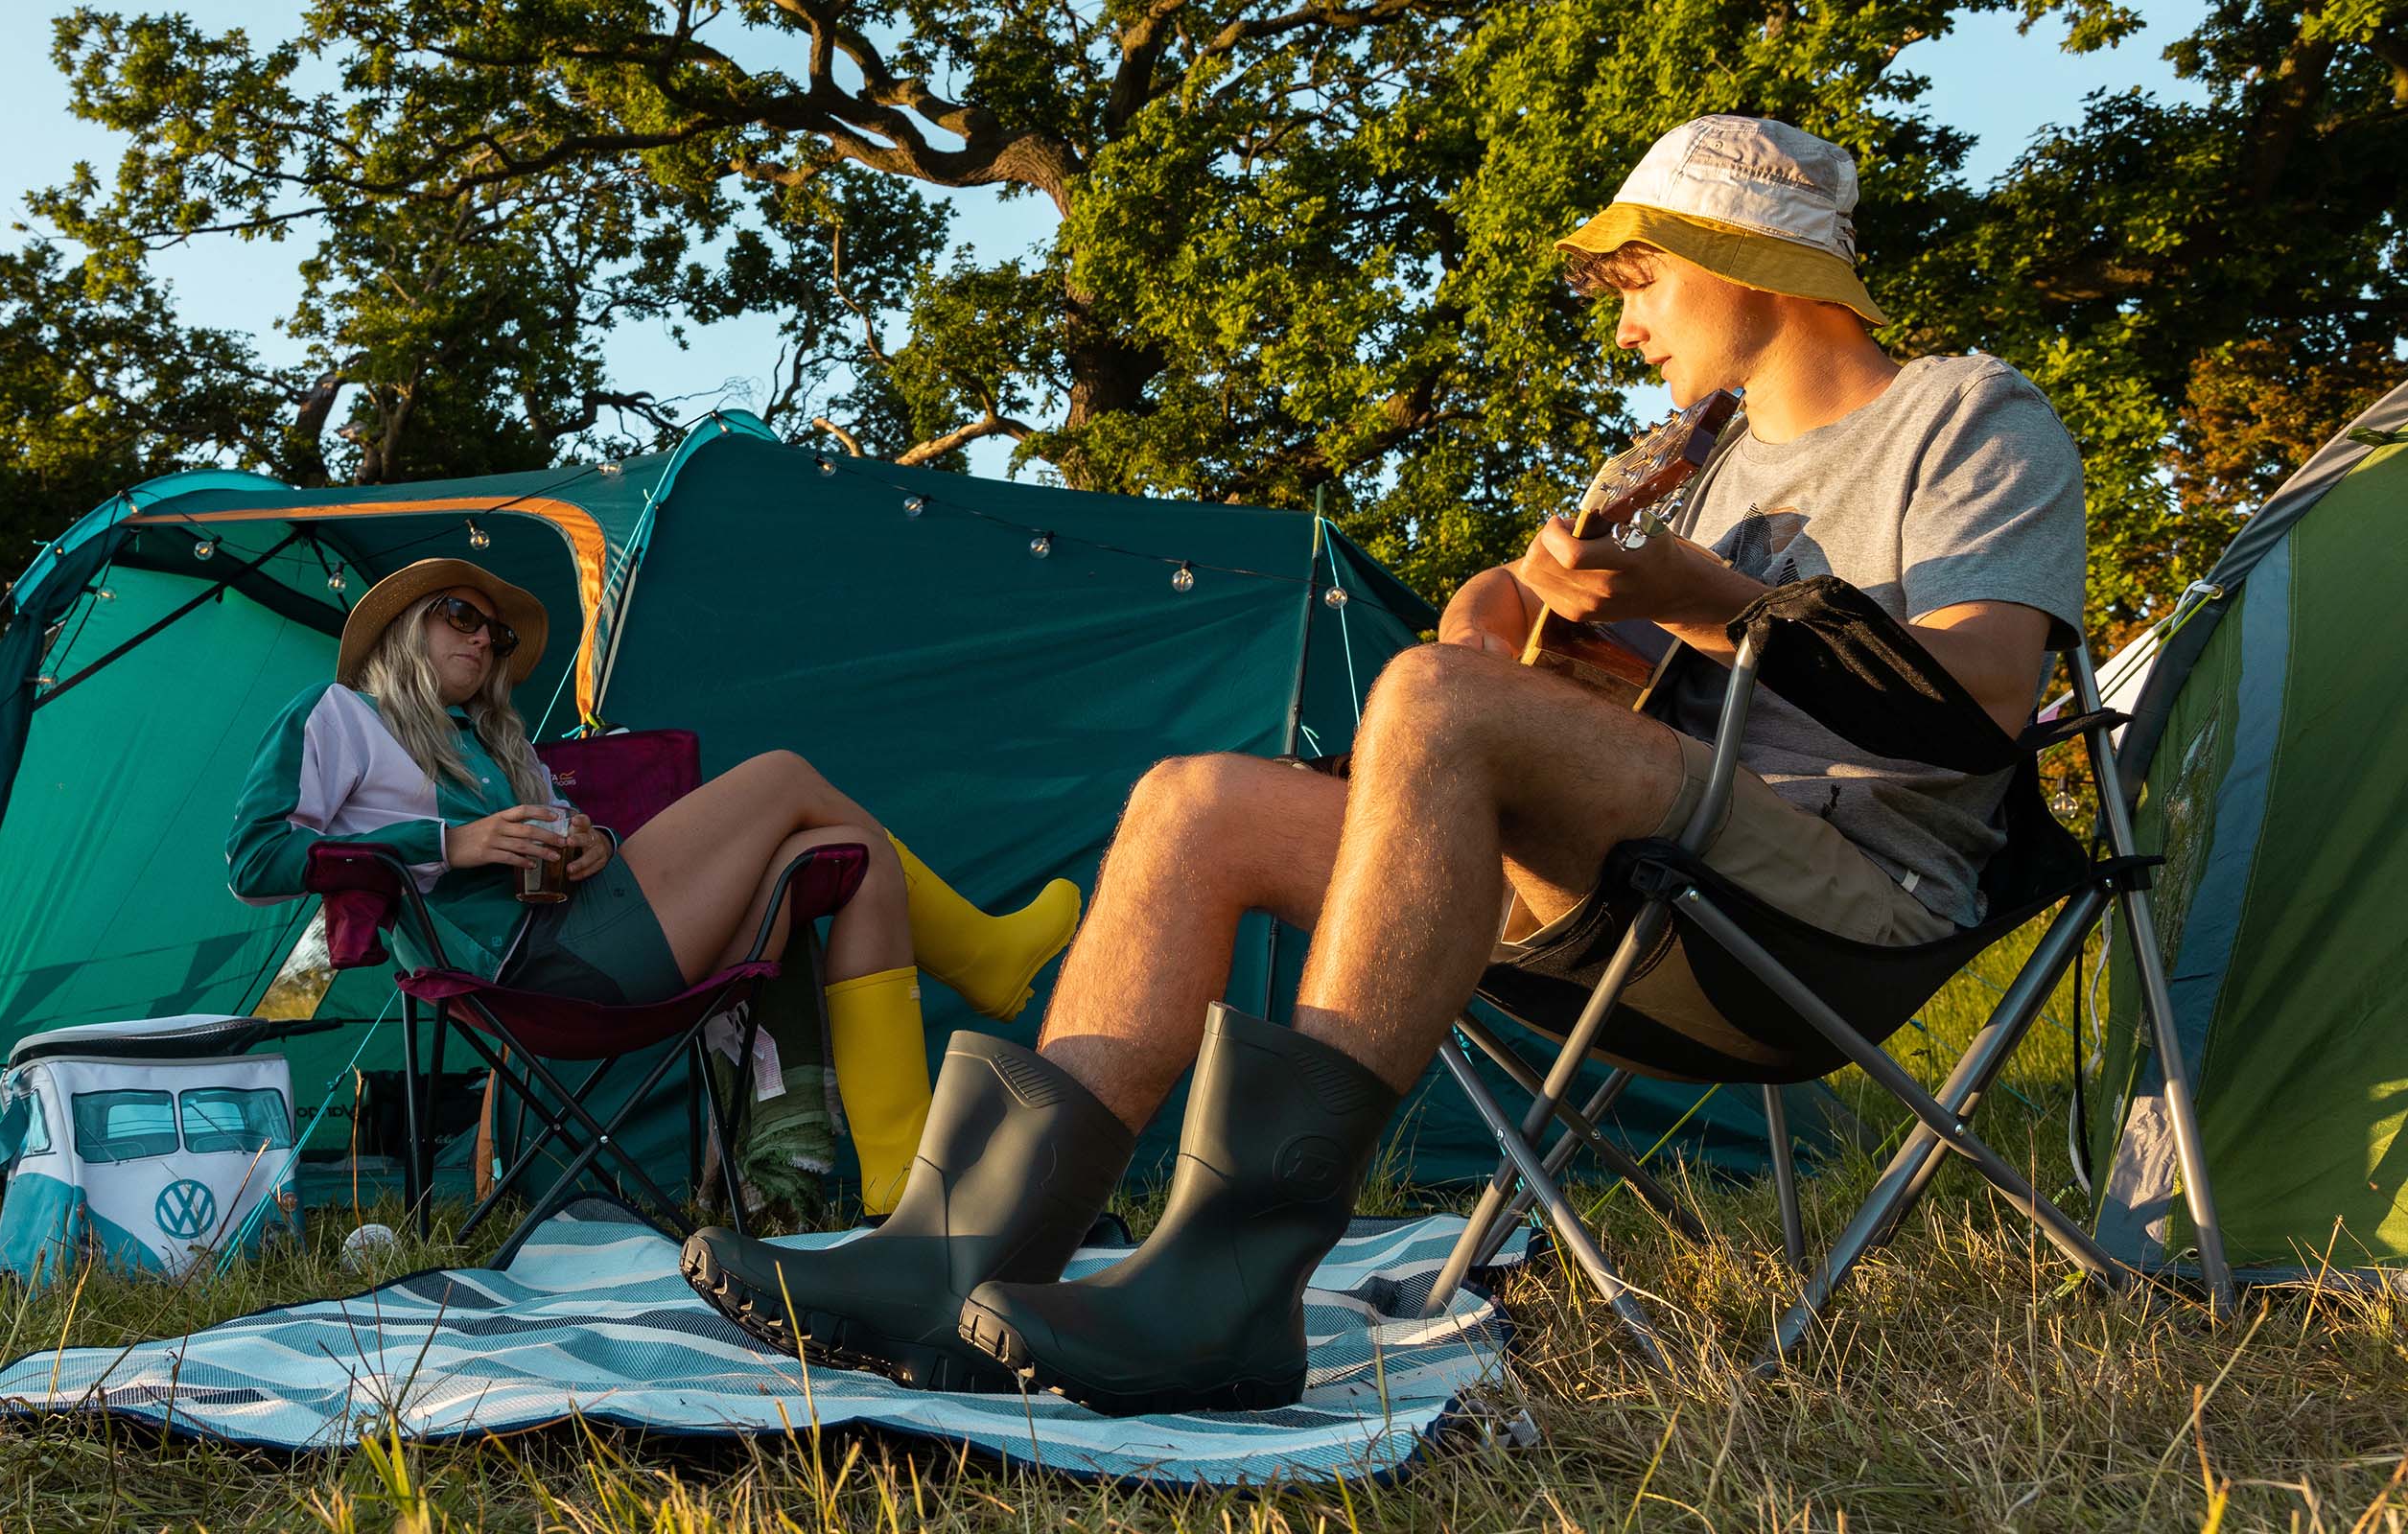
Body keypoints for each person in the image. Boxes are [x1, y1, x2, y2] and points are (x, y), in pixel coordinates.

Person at [684, 115, 2091, 1411]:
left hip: (1835, 903)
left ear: (1753, 262)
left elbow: (1983, 694)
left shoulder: (1967, 418)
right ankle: (950, 1260)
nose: (1631, 330)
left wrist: (1697, 605)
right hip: (1650, 882)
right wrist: (1500, 616)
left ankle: (1224, 1293)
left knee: (1429, 699)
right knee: (1197, 800)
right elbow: (1521, 603)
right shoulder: (1688, 461)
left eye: (1644, 282)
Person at [225, 557, 1081, 1212]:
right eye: (462, 616)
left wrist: (593, 840)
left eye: (499, 633)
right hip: (525, 968)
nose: (484, 638)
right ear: (404, 627)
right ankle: (978, 954)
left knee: (841, 850)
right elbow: (255, 860)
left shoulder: (500, 746)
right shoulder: (338, 714)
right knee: (784, 774)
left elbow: (566, 840)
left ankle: (903, 1180)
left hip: (592, 933)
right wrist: (454, 840)